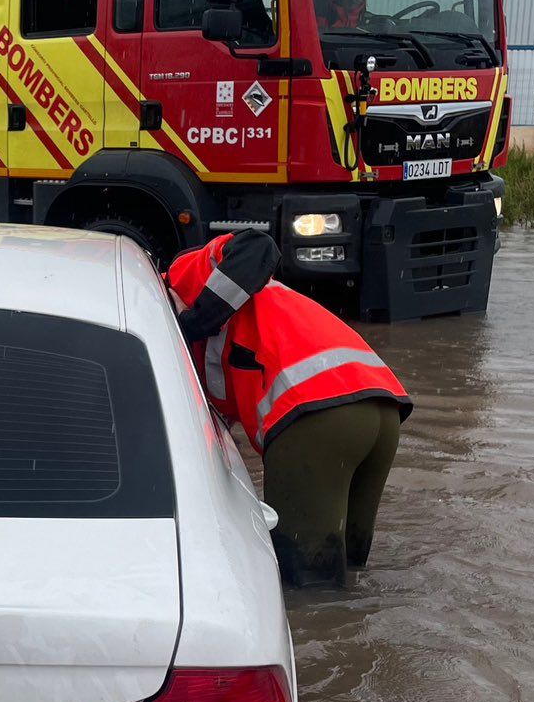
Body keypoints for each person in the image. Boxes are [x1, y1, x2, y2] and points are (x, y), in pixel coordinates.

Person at [166, 231, 409, 588]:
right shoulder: (222, 334)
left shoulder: (180, 277)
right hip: (381, 408)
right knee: (352, 578)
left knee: (308, 591)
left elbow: (257, 246)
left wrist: (189, 326)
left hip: (317, 416)